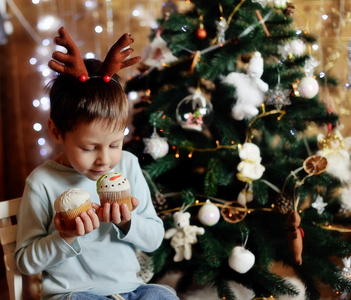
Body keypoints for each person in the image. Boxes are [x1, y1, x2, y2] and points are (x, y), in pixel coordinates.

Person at [14, 27, 179, 300]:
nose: (105, 159)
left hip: (128, 290)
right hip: (74, 295)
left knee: (163, 295)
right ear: (56, 132)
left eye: (115, 144)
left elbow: (154, 240)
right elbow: (25, 261)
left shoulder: (127, 165)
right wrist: (63, 236)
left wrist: (128, 222)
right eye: (89, 148)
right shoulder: (42, 182)